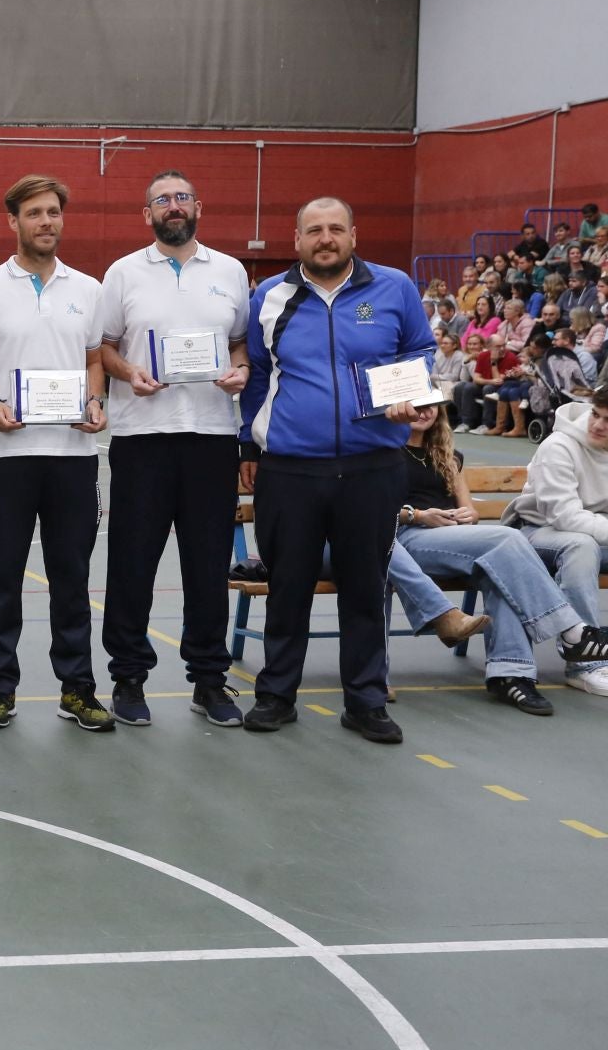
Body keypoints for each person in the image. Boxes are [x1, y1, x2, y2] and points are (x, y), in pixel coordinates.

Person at [237, 196, 432, 745]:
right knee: (289, 587)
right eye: (315, 230)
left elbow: (420, 350)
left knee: (365, 589)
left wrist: (415, 396)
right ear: (296, 239)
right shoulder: (268, 296)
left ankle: (366, 701)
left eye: (336, 229)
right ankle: (276, 695)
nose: (326, 239)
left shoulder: (393, 288)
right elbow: (255, 377)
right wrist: (249, 447)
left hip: (373, 468)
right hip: (290, 470)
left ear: (354, 234)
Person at [0, 174, 113, 733]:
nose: (46, 222)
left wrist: (95, 400)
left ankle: (77, 688)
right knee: (1, 576)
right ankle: (0, 688)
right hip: (4, 457)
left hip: (74, 454)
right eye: (34, 214)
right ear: (13, 222)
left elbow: (95, 357)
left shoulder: (89, 289)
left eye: (53, 213)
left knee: (71, 577)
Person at [96, 171, 251, 728]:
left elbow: (240, 343)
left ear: (198, 206)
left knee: (207, 565)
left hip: (212, 437)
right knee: (132, 563)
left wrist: (242, 368)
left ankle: (209, 680)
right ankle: (128, 678)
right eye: (162, 199)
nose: (174, 206)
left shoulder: (230, 271)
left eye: (183, 197)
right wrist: (128, 371)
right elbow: (105, 347)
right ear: (148, 214)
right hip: (141, 438)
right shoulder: (123, 273)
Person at [394, 404, 608, 713]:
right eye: (417, 407)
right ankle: (573, 632)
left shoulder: (447, 456)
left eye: (431, 407)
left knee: (499, 567)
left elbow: (471, 512)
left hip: (451, 538)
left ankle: (511, 673)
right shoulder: (386, 454)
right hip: (407, 539)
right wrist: (421, 515)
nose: (425, 412)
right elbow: (374, 508)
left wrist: (467, 513)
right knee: (509, 538)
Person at [501, 390, 608, 697]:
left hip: (596, 532)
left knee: (585, 542)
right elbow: (566, 518)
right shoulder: (559, 446)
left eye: (607, 420)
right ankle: (585, 663)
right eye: (595, 414)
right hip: (537, 533)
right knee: (581, 546)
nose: (598, 425)